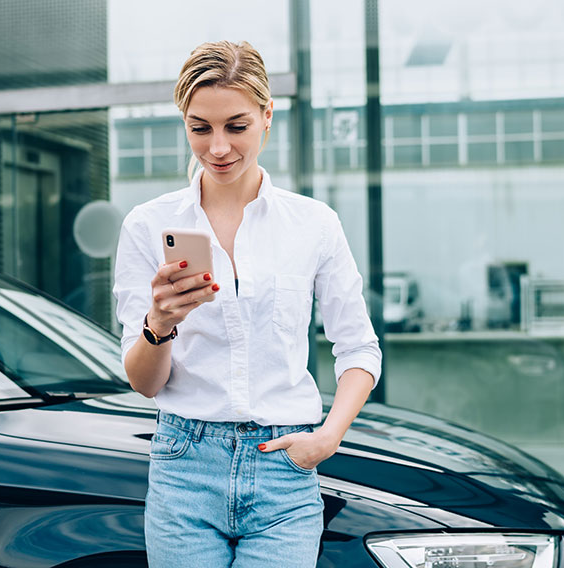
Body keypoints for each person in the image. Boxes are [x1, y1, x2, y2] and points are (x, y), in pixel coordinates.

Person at [112, 40, 381, 568]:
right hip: (184, 467)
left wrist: (327, 438)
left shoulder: (314, 224)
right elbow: (144, 383)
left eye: (236, 126)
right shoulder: (148, 225)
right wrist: (160, 323)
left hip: (285, 469)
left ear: (267, 116)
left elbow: (359, 349)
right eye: (199, 128)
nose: (217, 147)